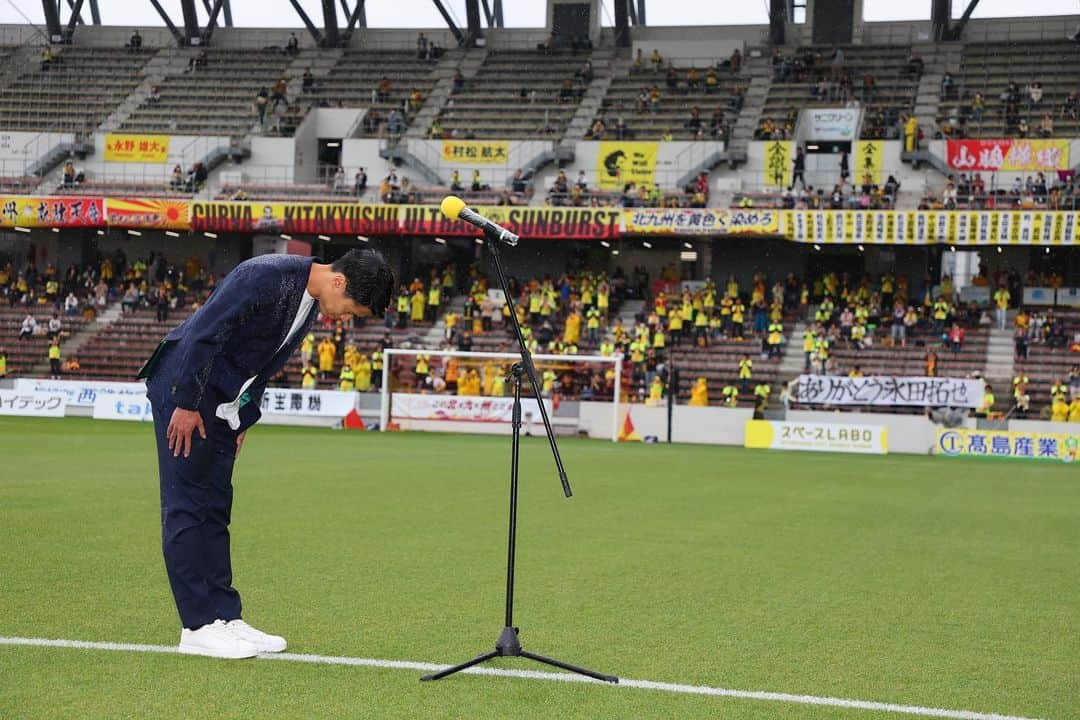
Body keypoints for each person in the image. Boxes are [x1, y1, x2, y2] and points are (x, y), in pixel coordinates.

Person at [137, 249, 394, 659]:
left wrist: (244, 418)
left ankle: (225, 616)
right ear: (339, 282)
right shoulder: (266, 276)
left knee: (217, 506)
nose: (347, 318)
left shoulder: (309, 301)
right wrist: (185, 404)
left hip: (223, 402)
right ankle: (197, 625)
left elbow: (262, 365)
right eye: (352, 310)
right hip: (184, 391)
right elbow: (206, 332)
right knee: (187, 506)